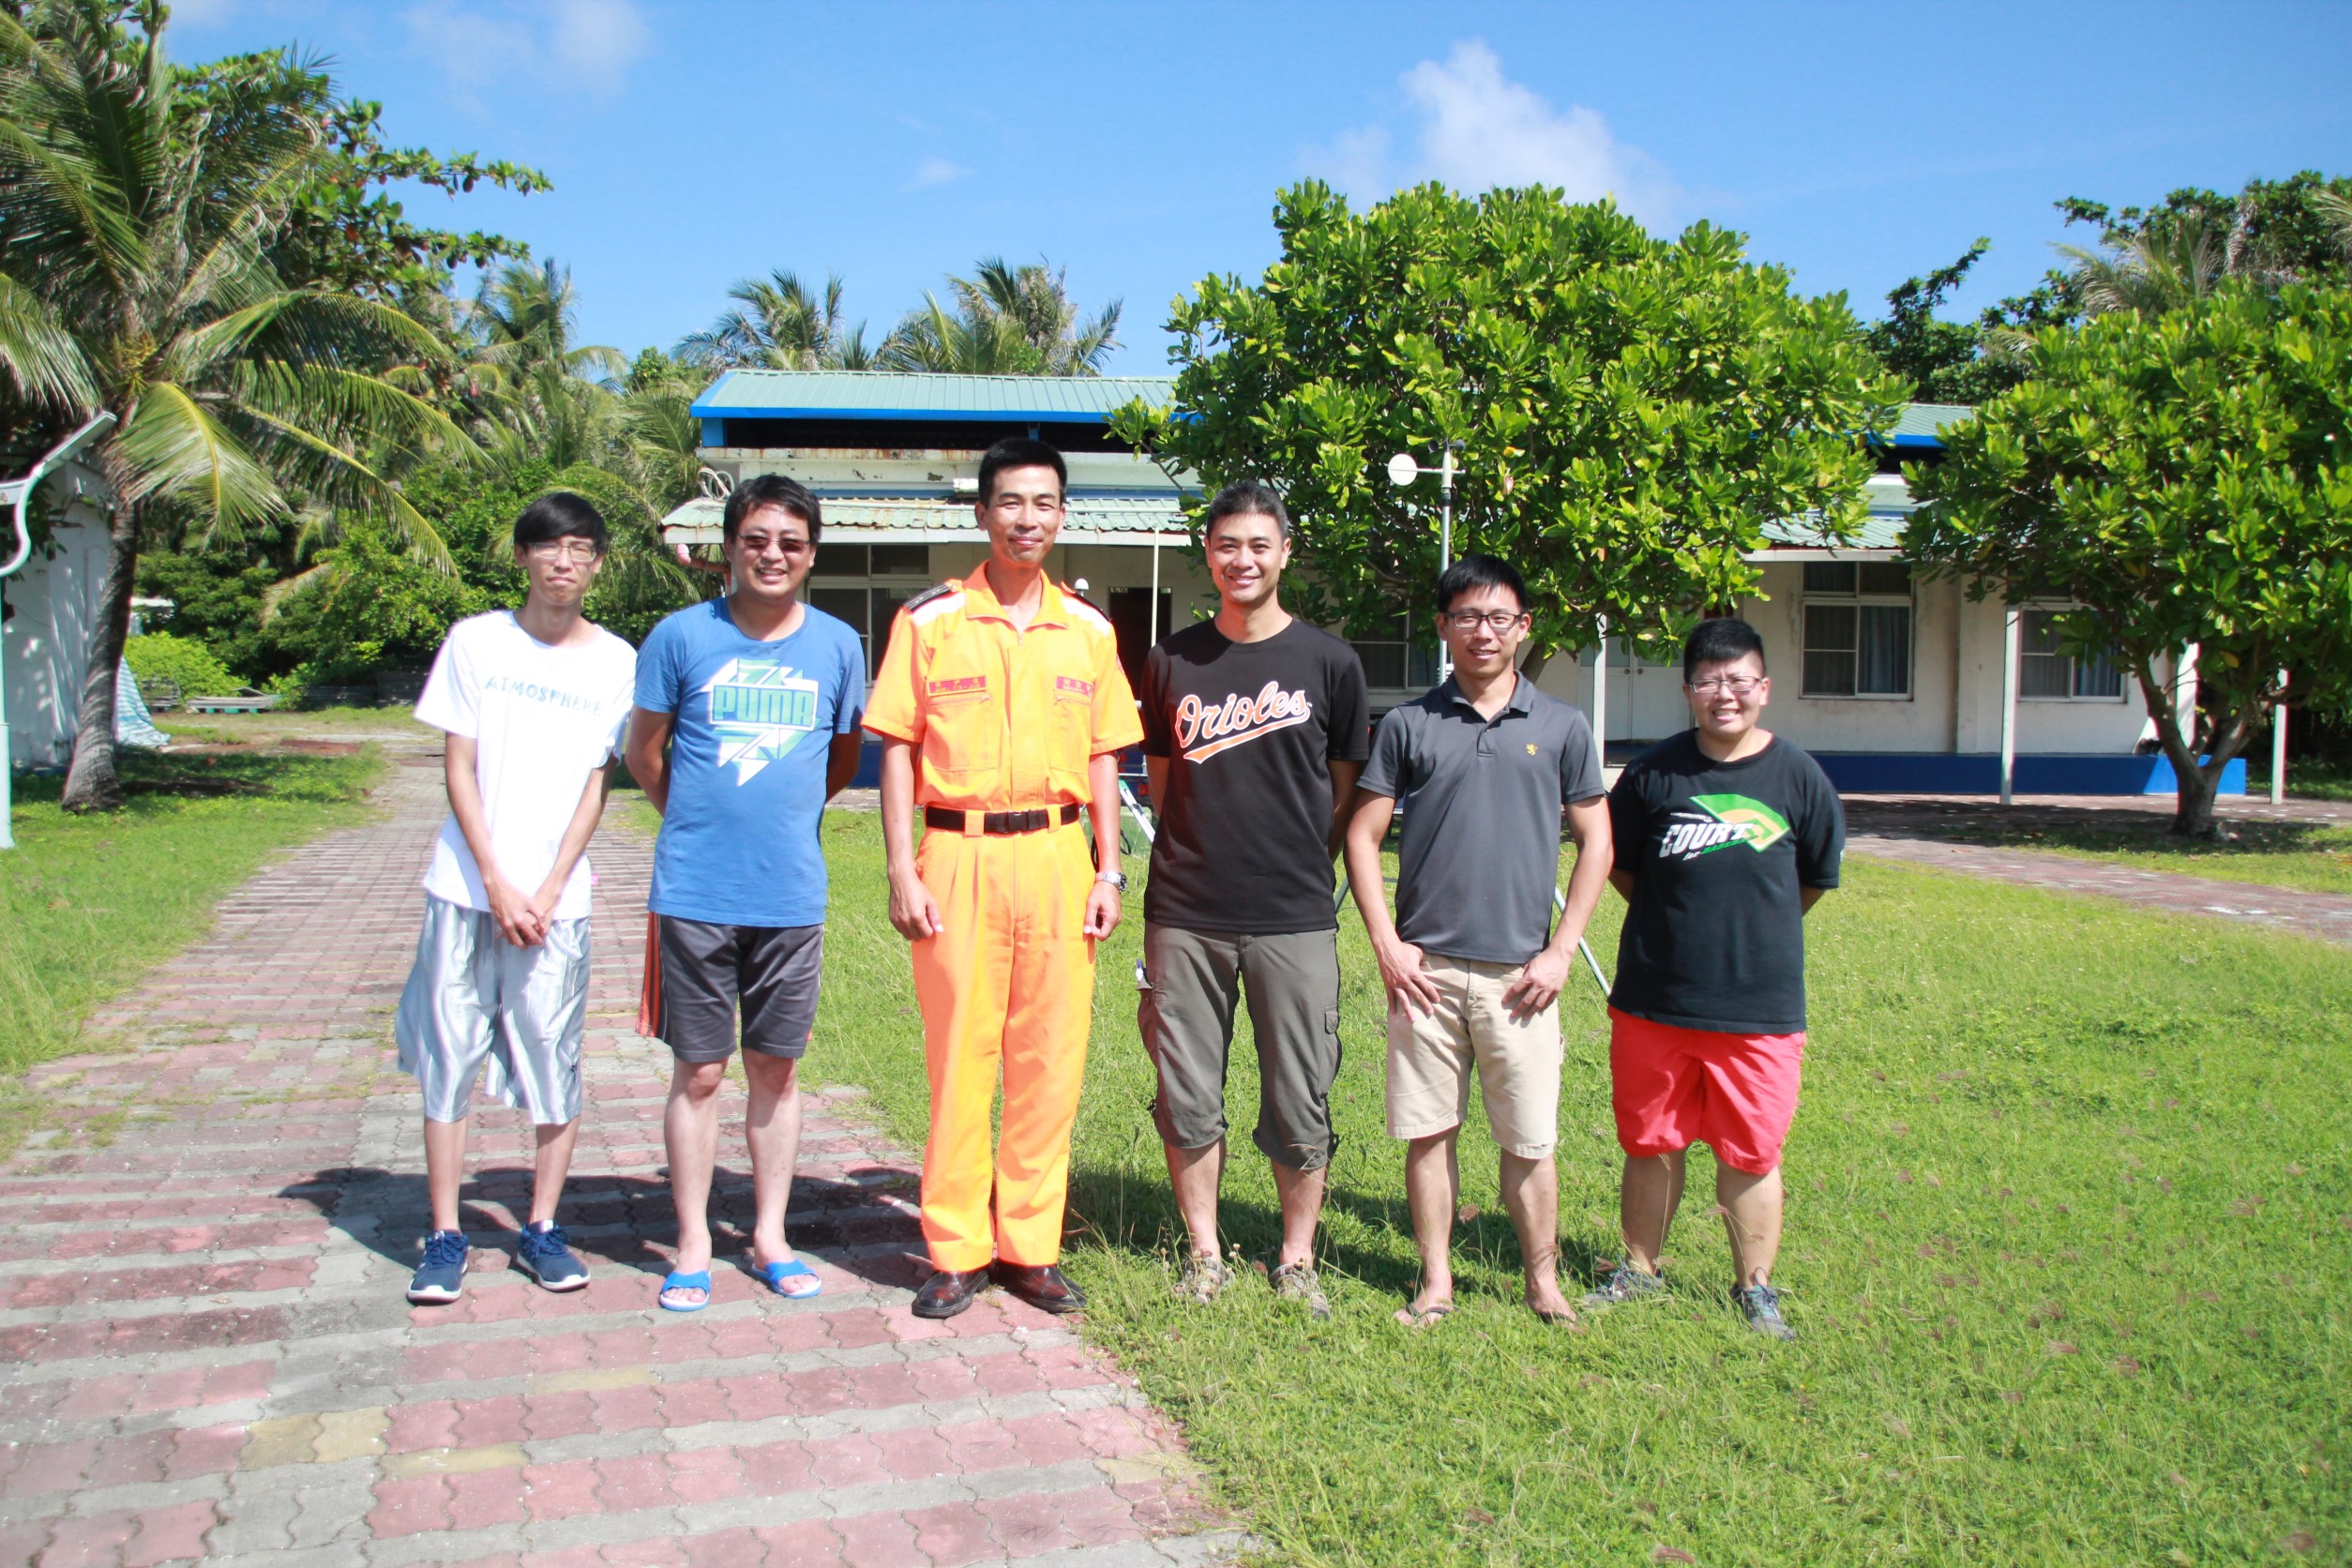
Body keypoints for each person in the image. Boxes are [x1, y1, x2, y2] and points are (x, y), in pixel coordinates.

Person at [866, 436, 1141, 1320]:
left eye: (1045, 503)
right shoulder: (931, 620)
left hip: (1061, 860)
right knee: (960, 1060)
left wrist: (1110, 866)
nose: (1029, 519)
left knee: (1049, 1059)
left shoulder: (1090, 631)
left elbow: (1105, 756)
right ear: (983, 512)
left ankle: (1030, 1246)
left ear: (1064, 515)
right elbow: (899, 749)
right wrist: (902, 868)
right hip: (957, 856)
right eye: (1011, 502)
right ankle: (953, 1249)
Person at [1344, 554, 1612, 1328]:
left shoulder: (1562, 726)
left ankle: (1543, 1283)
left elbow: (1597, 840)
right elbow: (1363, 836)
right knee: (1428, 1134)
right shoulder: (1408, 725)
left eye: (1500, 618)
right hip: (1424, 973)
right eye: (1467, 617)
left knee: (1529, 1141)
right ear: (1443, 628)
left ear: (1524, 628)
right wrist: (1386, 944)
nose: (1484, 632)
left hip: (1521, 978)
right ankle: (1435, 1282)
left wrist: (1562, 950)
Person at [624, 474, 866, 1312]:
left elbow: (839, 761)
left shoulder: (838, 645)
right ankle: (691, 1242)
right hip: (694, 891)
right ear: (728, 547)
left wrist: (780, 825)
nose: (773, 555)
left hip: (790, 896)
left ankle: (769, 1236)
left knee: (776, 1068)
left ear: (811, 555)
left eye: (791, 543)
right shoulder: (680, 638)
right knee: (698, 1072)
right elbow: (643, 752)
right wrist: (693, 820)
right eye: (757, 539)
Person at [395, 492, 639, 1306]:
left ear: (598, 563)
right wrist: (496, 880)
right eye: (548, 547)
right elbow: (457, 764)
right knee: (448, 1056)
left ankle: (541, 1225)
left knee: (553, 1061)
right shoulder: (475, 642)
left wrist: (547, 884)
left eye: (580, 548)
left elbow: (596, 785)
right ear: (524, 557)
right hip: (464, 888)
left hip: (555, 904)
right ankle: (444, 1234)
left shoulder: (616, 661)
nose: (563, 561)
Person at [1138, 480, 1369, 1319]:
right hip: (1186, 909)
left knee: (1301, 1090)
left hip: (1294, 912)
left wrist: (1288, 854)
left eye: (1259, 545)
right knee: (1188, 1090)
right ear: (1209, 552)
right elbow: (1163, 785)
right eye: (1228, 545)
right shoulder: (1172, 660)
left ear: (1285, 552)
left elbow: (1341, 789)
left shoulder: (1330, 663)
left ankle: (1296, 1258)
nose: (1243, 560)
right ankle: (1204, 1253)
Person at [1583, 615, 1843, 1340]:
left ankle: (1755, 1287)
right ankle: (1640, 1267)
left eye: (1738, 681)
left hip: (1758, 1011)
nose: (1723, 694)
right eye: (1707, 681)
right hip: (1654, 1002)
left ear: (1763, 688)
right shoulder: (1654, 775)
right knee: (1650, 1142)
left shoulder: (1799, 777)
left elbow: (1812, 880)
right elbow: (1622, 868)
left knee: (1752, 1152)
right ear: (1688, 690)